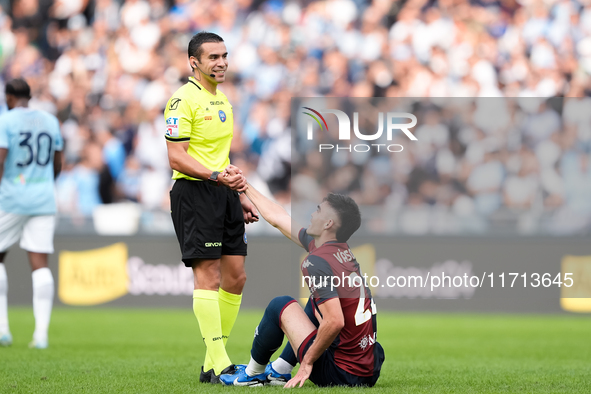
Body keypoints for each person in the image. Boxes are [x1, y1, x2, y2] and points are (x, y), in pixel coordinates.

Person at [220, 182, 385, 387]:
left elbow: (334, 321)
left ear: (328, 224)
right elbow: (279, 218)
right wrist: (244, 186)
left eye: (318, 210)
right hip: (367, 371)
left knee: (279, 305)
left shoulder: (316, 261)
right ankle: (280, 370)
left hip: (341, 374)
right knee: (317, 301)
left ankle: (253, 374)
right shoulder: (339, 250)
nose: (312, 214)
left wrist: (306, 364)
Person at [164, 31, 259, 383]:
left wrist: (240, 195)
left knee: (236, 277)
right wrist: (219, 177)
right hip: (194, 193)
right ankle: (222, 366)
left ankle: (210, 363)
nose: (221, 63)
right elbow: (177, 156)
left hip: (223, 193)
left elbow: (221, 156)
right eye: (213, 57)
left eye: (224, 56)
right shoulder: (181, 101)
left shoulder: (223, 101)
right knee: (209, 277)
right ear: (194, 62)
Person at [0, 78, 63, 349]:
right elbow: (58, 163)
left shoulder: (6, 120)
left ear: (9, 97)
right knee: (40, 264)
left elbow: (1, 159)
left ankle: (3, 329)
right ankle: (41, 335)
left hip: (12, 198)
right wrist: (46, 185)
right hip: (44, 199)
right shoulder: (51, 121)